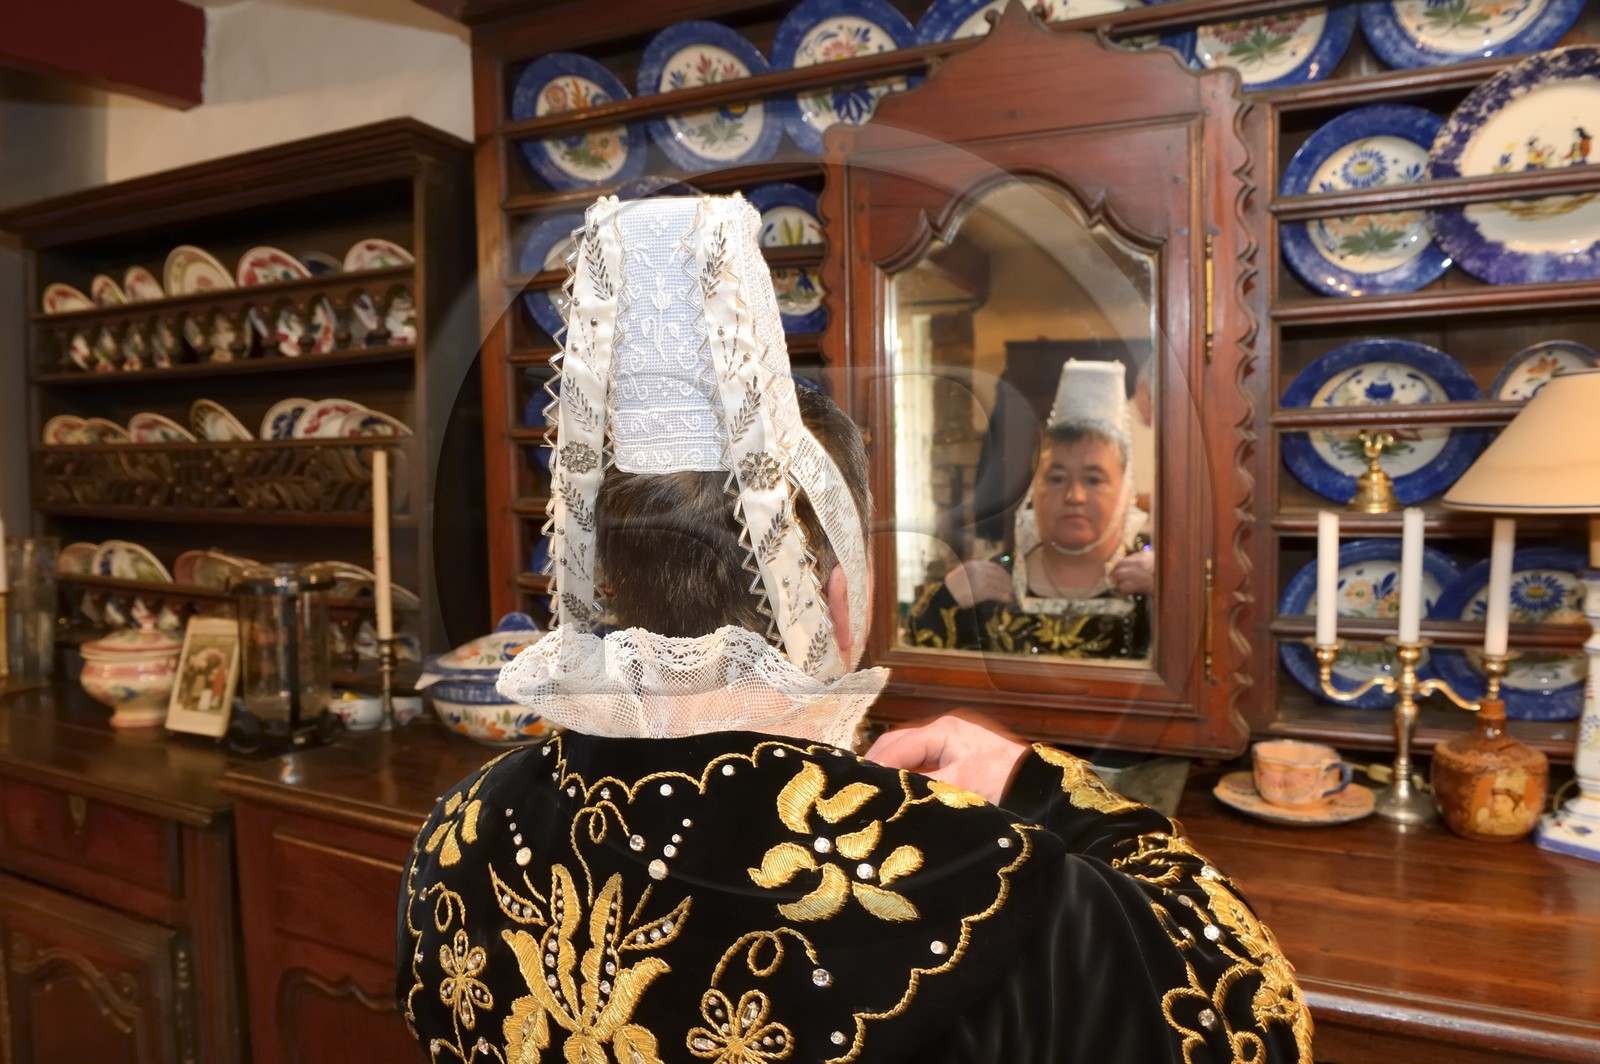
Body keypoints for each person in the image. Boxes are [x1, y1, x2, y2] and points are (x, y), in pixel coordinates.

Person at [398, 194, 1310, 1063]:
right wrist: (1034, 787)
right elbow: (1247, 1018)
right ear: (839, 595)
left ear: (604, 576)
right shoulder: (981, 888)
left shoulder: (458, 832)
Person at [907, 360, 1154, 659]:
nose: (1074, 495)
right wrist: (945, 599)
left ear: (1125, 492)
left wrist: (1172, 591)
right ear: (1034, 489)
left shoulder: (1156, 583)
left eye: (1093, 479)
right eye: (1057, 478)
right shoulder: (991, 585)